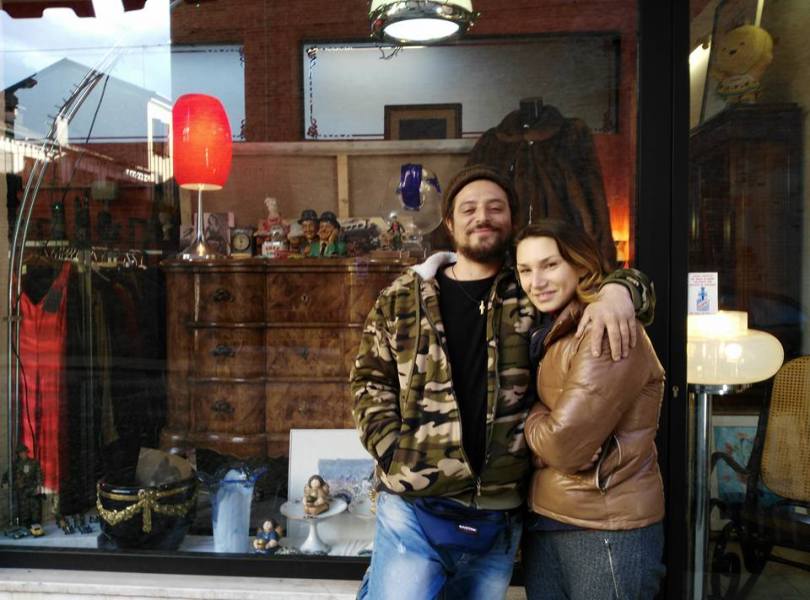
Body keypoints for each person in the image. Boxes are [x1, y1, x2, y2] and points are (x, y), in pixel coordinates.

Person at [350, 164, 654, 600]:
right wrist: (393, 452)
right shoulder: (403, 296)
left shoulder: (532, 291)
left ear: (512, 219)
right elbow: (368, 379)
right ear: (449, 222)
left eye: (495, 208)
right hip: (413, 508)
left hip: (499, 513)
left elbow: (602, 281)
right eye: (469, 208)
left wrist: (619, 291)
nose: (483, 217)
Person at [515, 220, 665, 600]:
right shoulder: (551, 328)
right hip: (551, 519)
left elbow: (565, 446)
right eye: (525, 270)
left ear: (580, 265)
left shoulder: (604, 326)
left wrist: (531, 415)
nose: (536, 281)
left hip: (604, 527)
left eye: (550, 265)